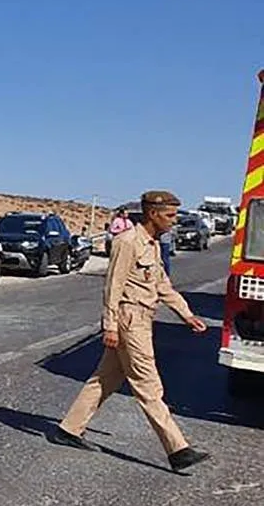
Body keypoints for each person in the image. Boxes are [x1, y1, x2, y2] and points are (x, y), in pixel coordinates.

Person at [48, 190, 210, 473]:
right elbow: (113, 286)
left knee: (105, 379)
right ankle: (178, 449)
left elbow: (162, 286)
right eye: (170, 215)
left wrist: (186, 314)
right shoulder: (127, 242)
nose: (174, 220)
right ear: (153, 214)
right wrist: (110, 325)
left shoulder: (153, 244)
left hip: (143, 319)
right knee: (149, 386)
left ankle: (68, 429)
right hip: (129, 321)